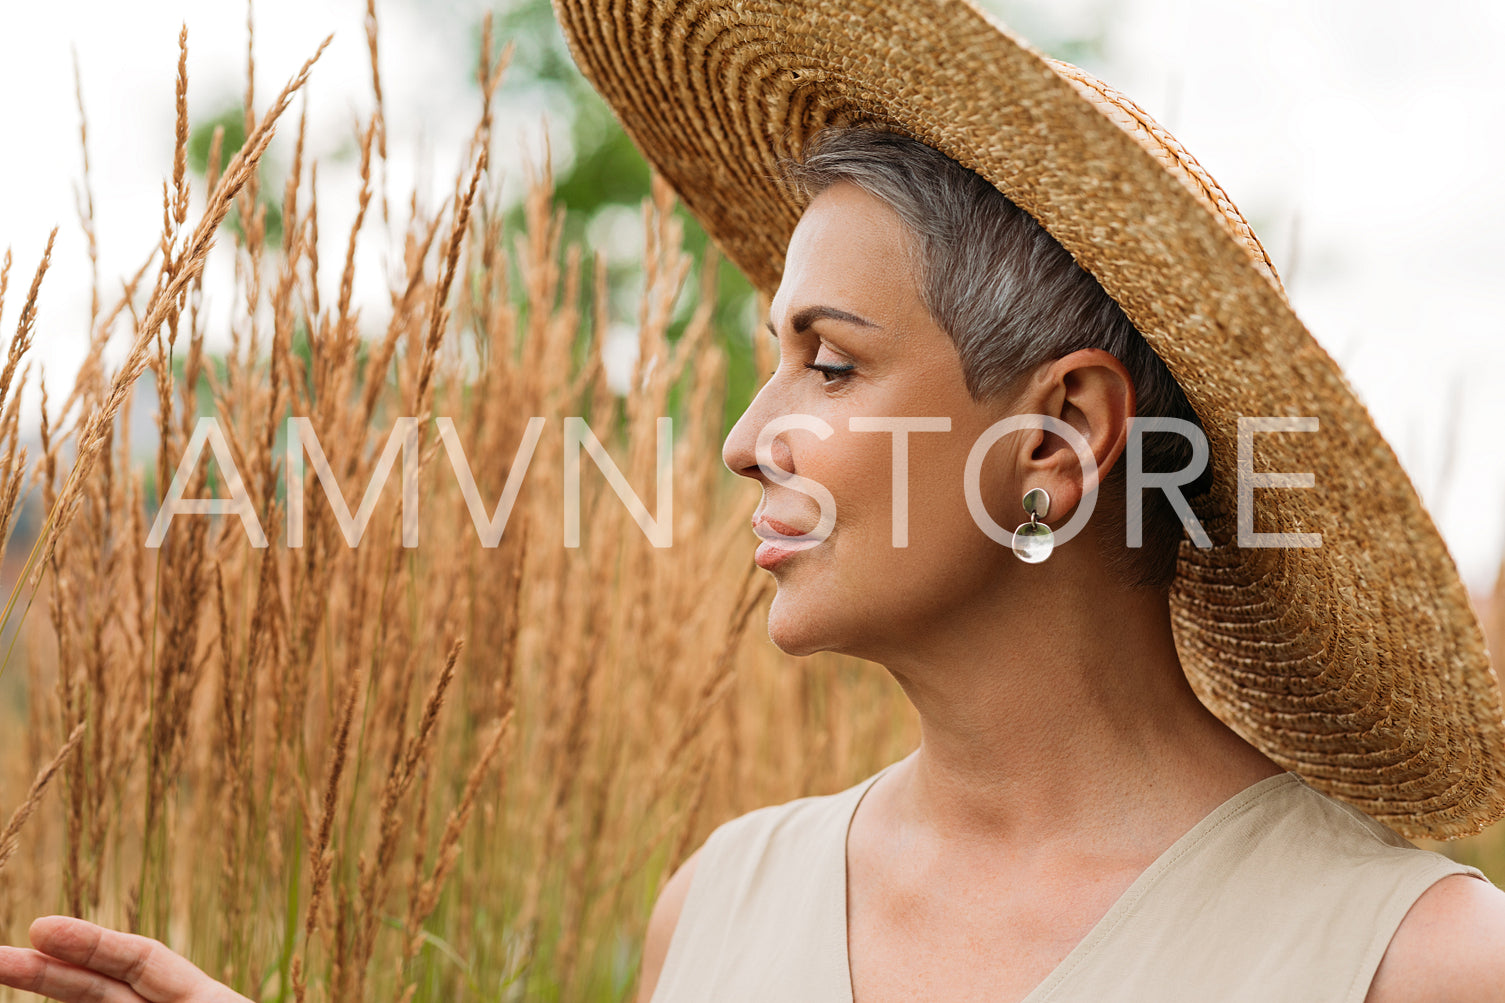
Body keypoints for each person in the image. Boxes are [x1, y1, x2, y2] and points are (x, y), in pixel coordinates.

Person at [3, 4, 1505, 1003]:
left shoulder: (1415, 964)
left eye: (828, 365)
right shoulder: (719, 903)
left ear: (1055, 444)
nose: (740, 438)